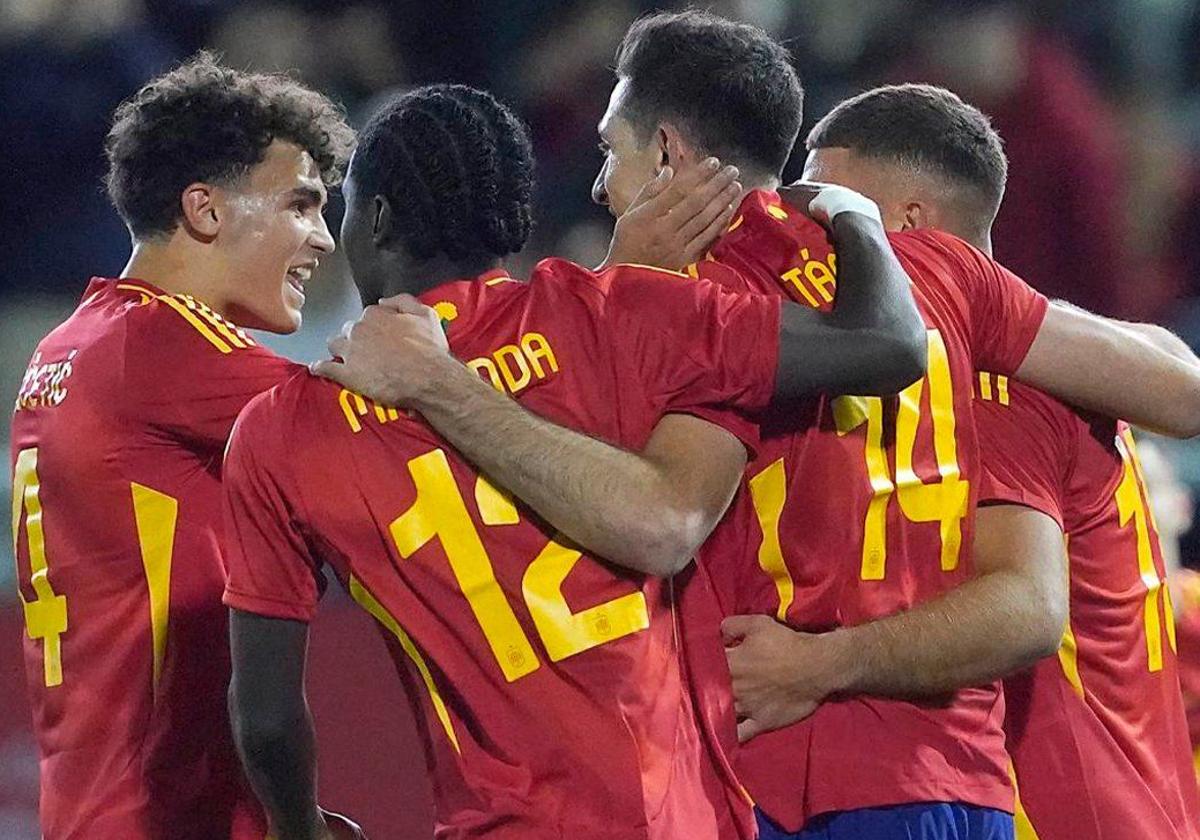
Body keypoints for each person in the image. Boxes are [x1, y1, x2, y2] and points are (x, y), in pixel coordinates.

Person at [323, 12, 1200, 840]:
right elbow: (1178, 389)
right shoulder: (941, 275)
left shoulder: (697, 307)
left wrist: (598, 300)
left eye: (608, 152)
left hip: (780, 763)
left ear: (667, 152)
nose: (598, 184)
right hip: (959, 779)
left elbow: (651, 514)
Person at [222, 83, 924, 840]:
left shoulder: (280, 430)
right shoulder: (619, 315)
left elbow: (264, 720)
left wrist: (301, 828)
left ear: (380, 218)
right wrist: (854, 213)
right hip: (676, 817)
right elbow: (888, 345)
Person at [756, 83, 1198, 840]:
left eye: (829, 206)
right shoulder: (1069, 363)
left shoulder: (989, 390)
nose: (806, 231)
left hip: (1052, 816)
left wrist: (815, 664)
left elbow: (1025, 607)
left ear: (909, 224)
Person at [9, 53, 355, 838]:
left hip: (100, 807)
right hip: (169, 814)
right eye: (302, 205)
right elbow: (391, 431)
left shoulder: (71, 344)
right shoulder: (163, 343)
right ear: (205, 210)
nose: (324, 240)